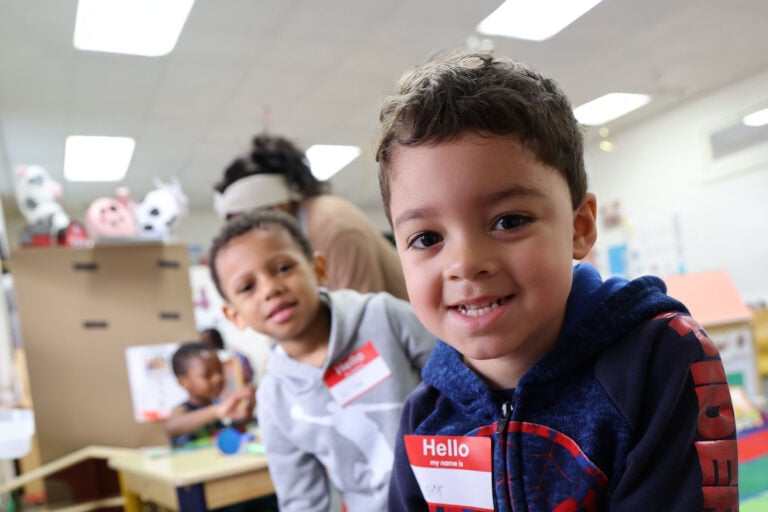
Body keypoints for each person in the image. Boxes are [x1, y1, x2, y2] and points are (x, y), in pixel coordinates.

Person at [375, 50, 738, 511]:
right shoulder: (426, 415)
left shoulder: (655, 360)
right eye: (426, 237)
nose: (465, 264)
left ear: (579, 227)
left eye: (508, 221)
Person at [207, 209, 436, 512]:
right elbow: (301, 500)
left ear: (318, 269)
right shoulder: (273, 399)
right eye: (247, 287)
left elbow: (463, 384)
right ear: (234, 315)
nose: (270, 289)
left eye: (283, 268)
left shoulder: (384, 317)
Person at [213, 133, 408, 300]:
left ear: (279, 205)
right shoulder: (300, 231)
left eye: (250, 223)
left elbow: (361, 324)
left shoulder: (334, 227)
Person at [165, 341, 256, 448]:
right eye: (207, 375)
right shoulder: (183, 409)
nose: (218, 378)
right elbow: (172, 427)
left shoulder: (222, 405)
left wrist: (250, 406)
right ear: (183, 382)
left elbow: (240, 428)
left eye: (220, 371)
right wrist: (216, 411)